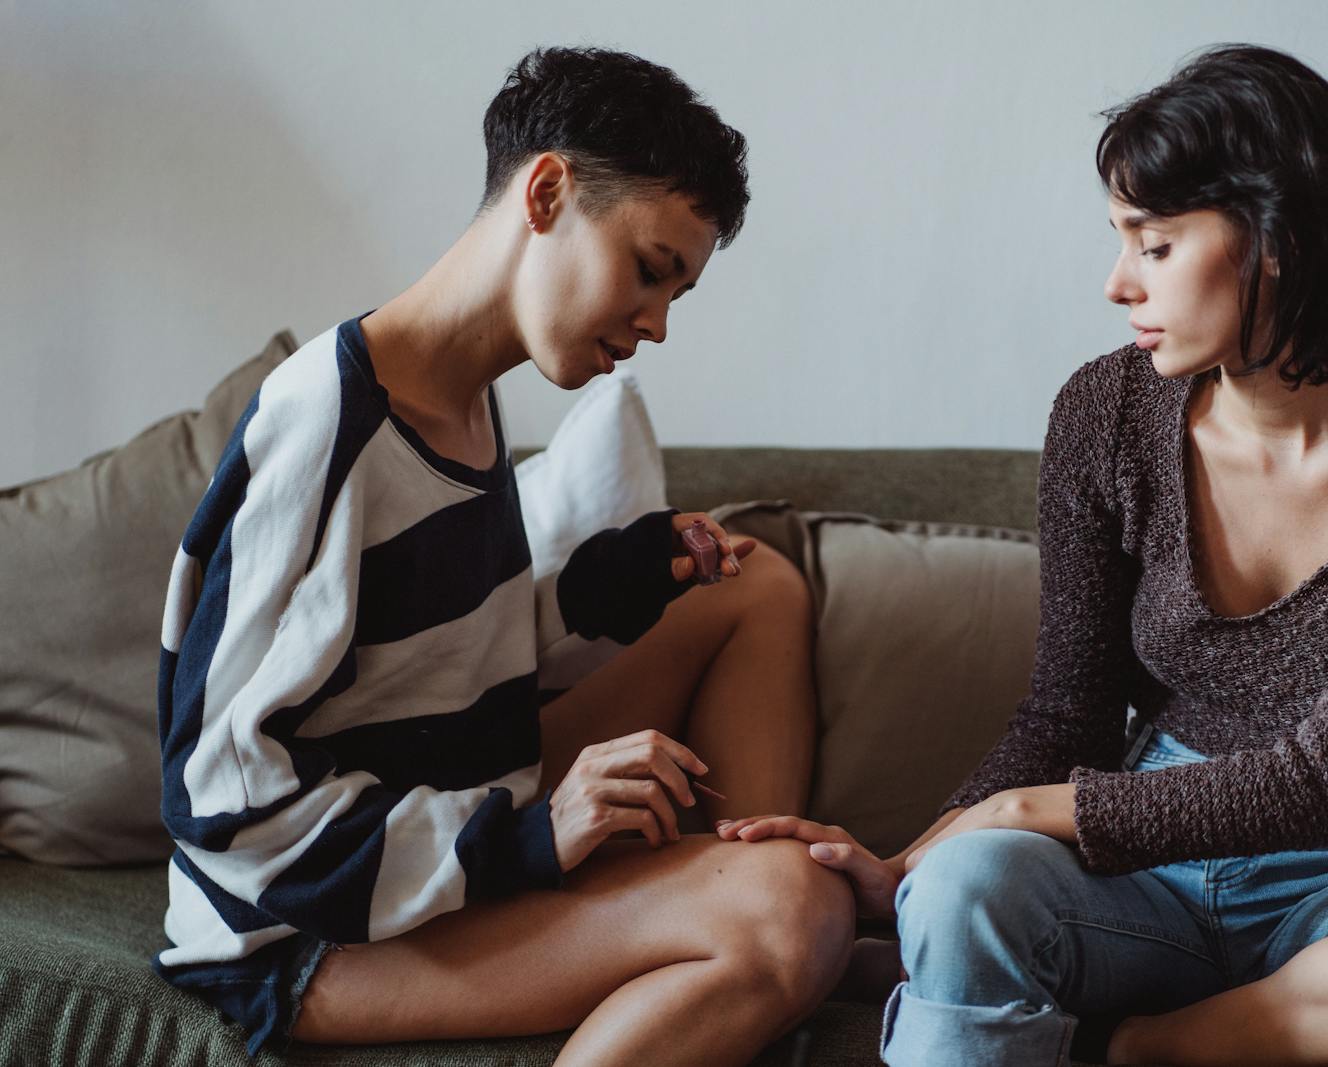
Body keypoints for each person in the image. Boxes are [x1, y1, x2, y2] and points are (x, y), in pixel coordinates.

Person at [718, 44, 1328, 1066]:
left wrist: (1012, 810)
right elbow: (1066, 710)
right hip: (1134, 884)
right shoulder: (1106, 412)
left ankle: (1142, 1047)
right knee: (963, 888)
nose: (1116, 281)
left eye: (1155, 242)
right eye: (1119, 238)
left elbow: (1323, 777)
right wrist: (913, 862)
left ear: (1277, 238)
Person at [152, 47, 853, 1065]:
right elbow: (222, 797)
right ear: (547, 191)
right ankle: (743, 930)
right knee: (797, 906)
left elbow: (429, 653)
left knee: (759, 590)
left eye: (676, 295)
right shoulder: (329, 423)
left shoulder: (466, 404)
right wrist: (528, 835)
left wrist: (624, 576)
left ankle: (718, 923)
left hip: (440, 813)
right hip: (300, 927)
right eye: (650, 271)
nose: (656, 324)